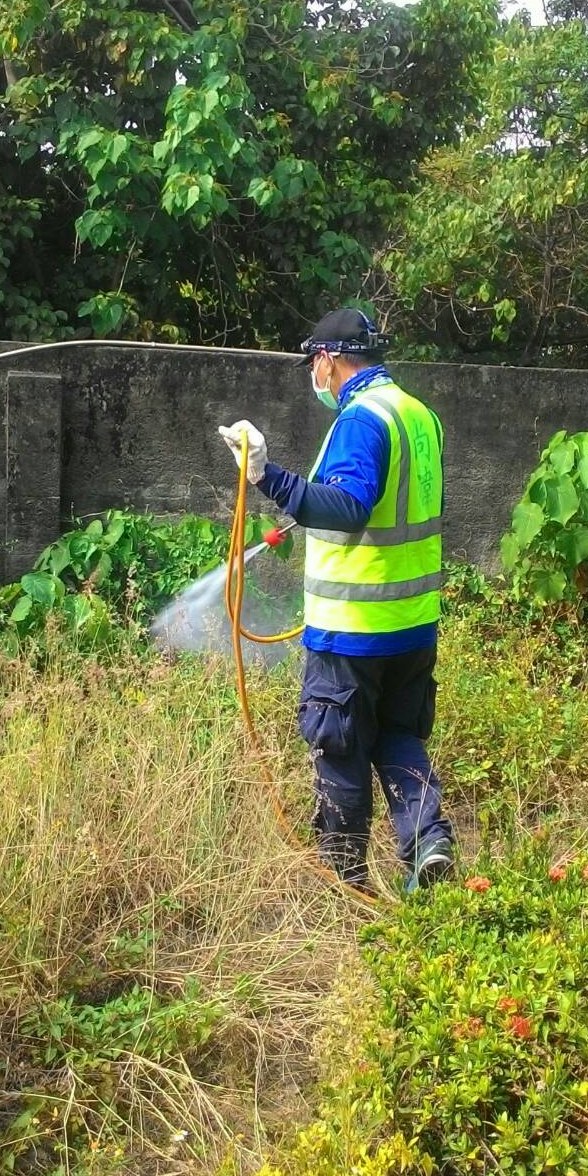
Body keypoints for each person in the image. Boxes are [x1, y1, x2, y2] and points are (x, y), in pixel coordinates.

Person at [219, 307, 454, 895]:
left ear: (327, 360)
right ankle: (428, 844)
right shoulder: (418, 415)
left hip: (353, 628)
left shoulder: (362, 419)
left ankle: (344, 885)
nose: (314, 376)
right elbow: (385, 506)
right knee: (399, 736)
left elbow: (350, 505)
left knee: (340, 745)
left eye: (313, 364)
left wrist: (267, 476)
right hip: (412, 623)